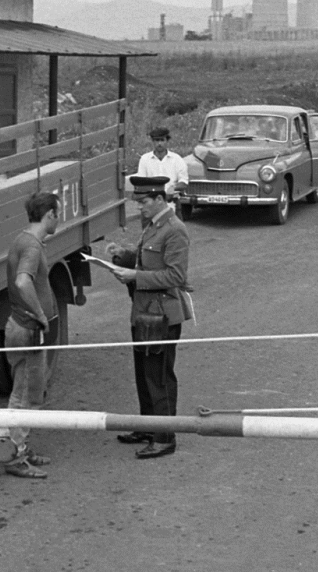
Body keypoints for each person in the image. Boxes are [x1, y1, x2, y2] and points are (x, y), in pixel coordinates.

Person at [103, 175, 192, 459]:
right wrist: (123, 256)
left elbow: (176, 275)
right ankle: (147, 426)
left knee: (159, 376)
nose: (139, 207)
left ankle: (165, 436)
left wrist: (134, 276)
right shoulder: (153, 226)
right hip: (144, 313)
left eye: (143, 202)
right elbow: (147, 260)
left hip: (162, 316)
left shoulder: (174, 230)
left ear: (158, 199)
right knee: (144, 373)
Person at [0, 191, 60, 479]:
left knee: (26, 391)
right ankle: (14, 455)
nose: (59, 218)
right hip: (29, 330)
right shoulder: (32, 247)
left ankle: (20, 447)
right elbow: (22, 281)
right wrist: (41, 316)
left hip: (20, 327)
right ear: (49, 216)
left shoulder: (23, 239)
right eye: (58, 213)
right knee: (24, 396)